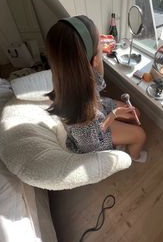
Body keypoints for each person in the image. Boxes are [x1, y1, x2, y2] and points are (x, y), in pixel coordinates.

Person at [45, 15, 147, 162]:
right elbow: (92, 141)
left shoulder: (66, 75)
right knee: (139, 135)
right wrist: (114, 114)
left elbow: (97, 78)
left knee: (134, 113)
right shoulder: (80, 115)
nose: (102, 43)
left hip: (97, 107)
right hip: (95, 134)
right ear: (93, 61)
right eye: (99, 44)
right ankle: (134, 156)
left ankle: (124, 135)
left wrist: (97, 51)